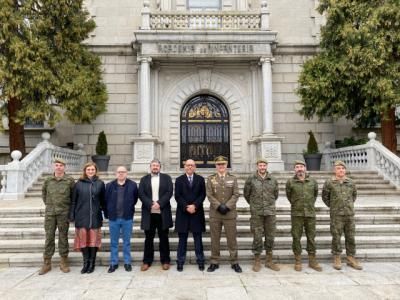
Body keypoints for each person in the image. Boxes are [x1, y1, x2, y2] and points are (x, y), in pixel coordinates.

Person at [322, 160, 362, 270]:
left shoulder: (351, 182)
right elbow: (325, 197)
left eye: (343, 168)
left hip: (349, 214)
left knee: (350, 237)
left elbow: (354, 196)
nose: (341, 170)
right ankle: (337, 257)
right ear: (335, 170)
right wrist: (334, 206)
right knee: (336, 237)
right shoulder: (329, 182)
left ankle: (351, 258)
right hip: (336, 215)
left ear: (345, 170)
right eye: (339, 168)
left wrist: (347, 205)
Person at [39, 158, 75, 275]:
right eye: (57, 165)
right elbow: (44, 195)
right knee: (49, 237)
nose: (59, 167)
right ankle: (47, 263)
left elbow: (73, 197)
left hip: (64, 214)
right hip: (50, 213)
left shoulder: (69, 180)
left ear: (64, 167)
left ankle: (63, 261)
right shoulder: (48, 180)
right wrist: (50, 206)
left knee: (63, 237)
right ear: (54, 167)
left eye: (61, 165)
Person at [206, 155, 242, 273]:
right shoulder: (211, 179)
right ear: (216, 166)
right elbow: (209, 194)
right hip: (215, 214)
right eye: (219, 164)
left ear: (226, 165)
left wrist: (227, 206)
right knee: (214, 239)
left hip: (229, 214)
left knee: (232, 239)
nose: (221, 166)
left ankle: (234, 262)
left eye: (223, 164)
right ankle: (214, 261)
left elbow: (236, 194)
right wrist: (218, 206)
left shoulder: (233, 178)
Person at [243, 158, 280, 272]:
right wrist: (255, 204)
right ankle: (257, 260)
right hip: (257, 212)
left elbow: (276, 194)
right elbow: (246, 194)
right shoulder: (251, 179)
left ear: (266, 166)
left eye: (264, 165)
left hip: (270, 212)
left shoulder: (273, 179)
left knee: (270, 236)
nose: (262, 167)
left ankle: (269, 260)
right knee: (257, 236)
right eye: (260, 165)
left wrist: (268, 204)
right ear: (257, 166)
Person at [286, 160, 322, 272]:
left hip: (310, 213)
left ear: (305, 168)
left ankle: (312, 260)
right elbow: (289, 196)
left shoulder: (312, 181)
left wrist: (308, 205)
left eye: (301, 166)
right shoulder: (290, 182)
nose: (299, 169)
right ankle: (298, 260)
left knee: (311, 237)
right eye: (297, 167)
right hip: (296, 214)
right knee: (296, 237)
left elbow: (315, 195)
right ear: (294, 169)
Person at [70, 162, 105, 274]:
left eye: (92, 169)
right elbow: (73, 201)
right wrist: (72, 214)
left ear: (95, 171)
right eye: (88, 169)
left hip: (95, 216)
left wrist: (106, 212)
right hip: (81, 216)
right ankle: (85, 263)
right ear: (85, 171)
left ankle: (92, 264)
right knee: (83, 241)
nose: (90, 171)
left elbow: (103, 200)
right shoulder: (78, 184)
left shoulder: (100, 183)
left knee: (93, 241)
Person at [138, 159, 173, 271]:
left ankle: (165, 261)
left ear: (160, 167)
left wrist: (159, 203)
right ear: (150, 167)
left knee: (164, 237)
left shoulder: (166, 178)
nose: (155, 167)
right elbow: (141, 194)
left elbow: (169, 192)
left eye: (157, 165)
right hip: (149, 213)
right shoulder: (144, 179)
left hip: (163, 212)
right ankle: (147, 261)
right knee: (149, 238)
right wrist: (151, 204)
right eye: (153, 165)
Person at [104, 166, 138, 273]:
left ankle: (127, 262)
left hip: (127, 218)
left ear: (126, 173)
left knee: (126, 242)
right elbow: (105, 200)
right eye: (119, 172)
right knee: (114, 242)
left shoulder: (132, 185)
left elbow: (135, 199)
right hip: (113, 218)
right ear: (116, 173)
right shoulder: (109, 185)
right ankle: (114, 263)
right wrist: (108, 213)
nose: (121, 174)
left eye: (123, 172)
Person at [174, 159, 206, 272]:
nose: (190, 167)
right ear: (184, 167)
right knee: (182, 239)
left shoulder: (200, 179)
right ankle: (180, 261)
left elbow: (203, 195)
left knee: (198, 239)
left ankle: (200, 260)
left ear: (195, 167)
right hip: (183, 213)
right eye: (188, 165)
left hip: (197, 213)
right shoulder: (178, 180)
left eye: (192, 165)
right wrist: (187, 207)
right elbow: (177, 196)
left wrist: (194, 206)